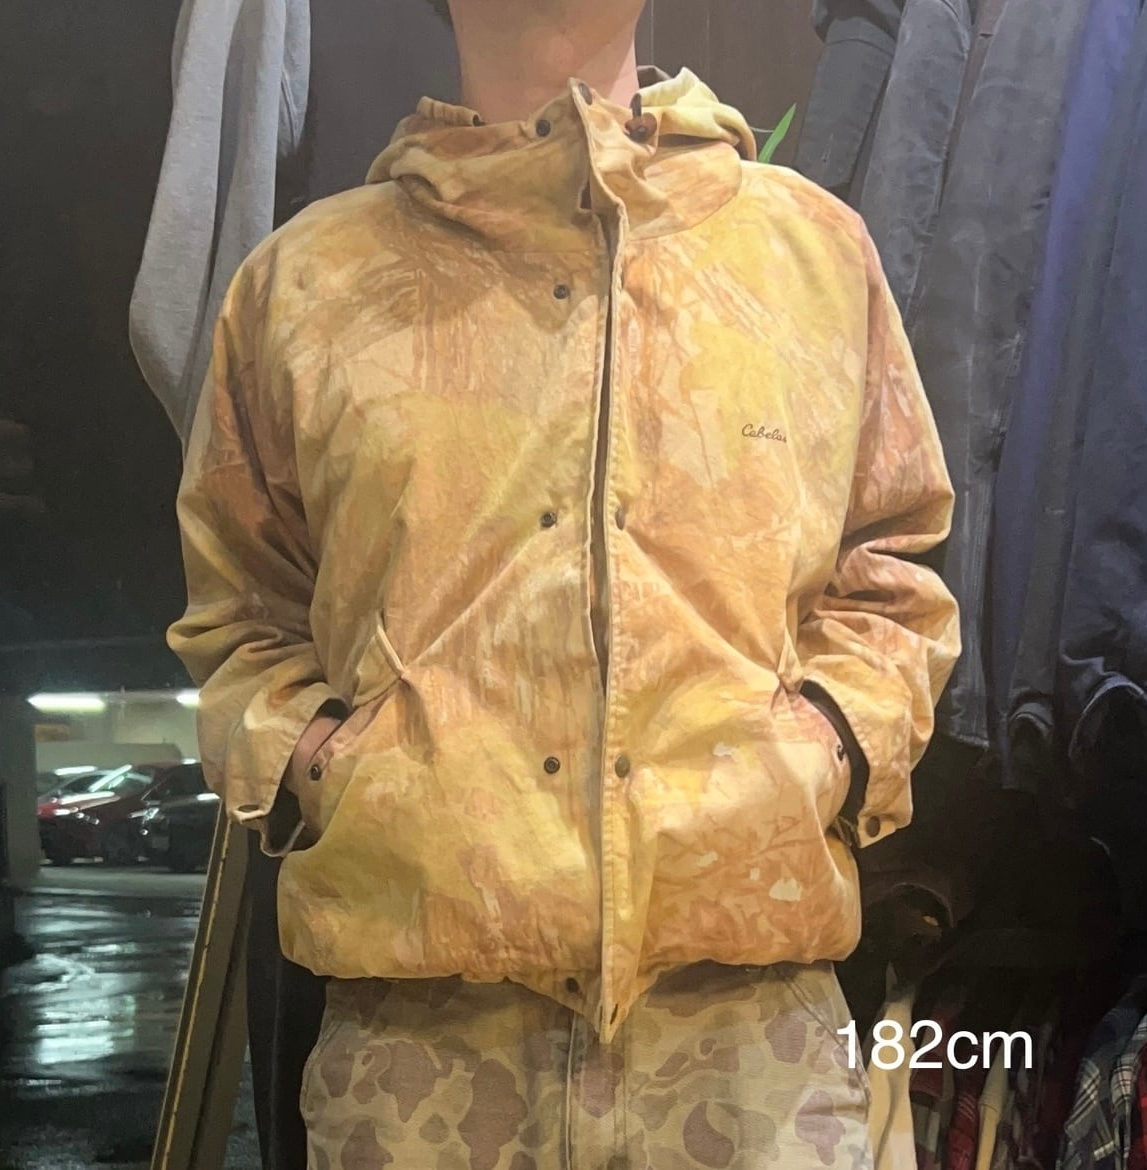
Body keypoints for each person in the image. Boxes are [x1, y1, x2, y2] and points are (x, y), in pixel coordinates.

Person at [167, 0, 961, 1164]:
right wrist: (328, 764)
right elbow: (240, 610)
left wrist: (830, 746)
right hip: (418, 1056)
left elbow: (891, 565)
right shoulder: (306, 287)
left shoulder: (811, 260)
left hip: (752, 1046)